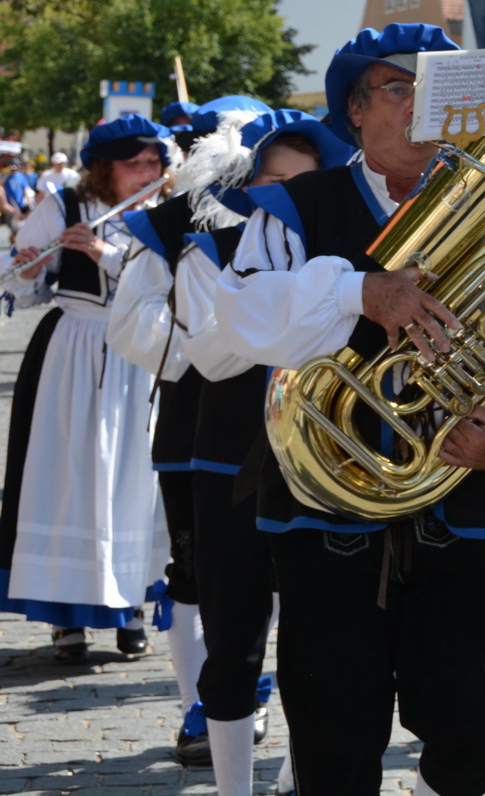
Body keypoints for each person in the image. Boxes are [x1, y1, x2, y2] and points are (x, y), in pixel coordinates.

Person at [212, 23, 485, 796]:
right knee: (332, 733)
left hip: (468, 508)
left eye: (442, 88)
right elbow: (239, 315)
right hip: (326, 516)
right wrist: (360, 291)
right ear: (355, 109)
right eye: (398, 86)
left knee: (478, 722)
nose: (422, 104)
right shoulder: (293, 207)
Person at [175, 106, 352, 796]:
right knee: (234, 633)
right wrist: (283, 302)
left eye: (300, 182)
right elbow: (212, 356)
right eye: (270, 179)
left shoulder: (342, 245)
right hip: (228, 458)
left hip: (323, 462)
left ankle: (294, 777)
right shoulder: (207, 249)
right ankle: (232, 786)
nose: (281, 194)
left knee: (320, 637)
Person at [108, 95, 278, 763]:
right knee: (195, 575)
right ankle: (198, 708)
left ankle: (258, 694)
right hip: (194, 421)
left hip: (293, 418)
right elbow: (129, 323)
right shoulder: (172, 220)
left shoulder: (311, 212)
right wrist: (201, 347)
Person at [0, 115, 174, 662]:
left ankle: (131, 609)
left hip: (138, 353)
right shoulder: (63, 204)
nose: (147, 172)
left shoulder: (164, 214)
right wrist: (29, 268)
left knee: (134, 477)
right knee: (68, 475)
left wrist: (107, 255)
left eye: (154, 163)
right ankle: (64, 618)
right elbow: (22, 286)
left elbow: (172, 281)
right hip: (72, 348)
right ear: (104, 169)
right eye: (134, 165)